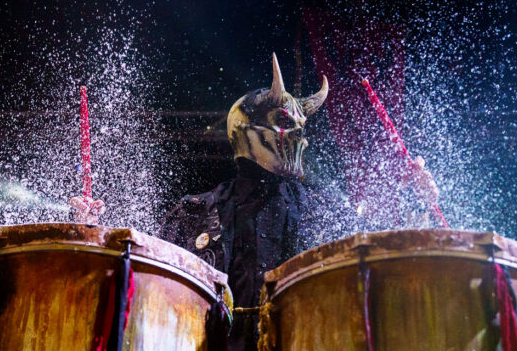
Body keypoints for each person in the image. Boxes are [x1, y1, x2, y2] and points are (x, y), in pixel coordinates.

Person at [160, 53, 438, 351]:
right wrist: (102, 237)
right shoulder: (195, 212)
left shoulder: (324, 211)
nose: (298, 134)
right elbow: (154, 291)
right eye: (283, 121)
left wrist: (419, 205)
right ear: (245, 128)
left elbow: (385, 263)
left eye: (300, 124)